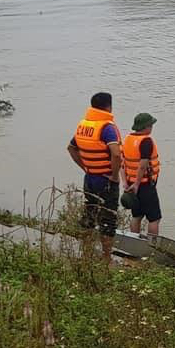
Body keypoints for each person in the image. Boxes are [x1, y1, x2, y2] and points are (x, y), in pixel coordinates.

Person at [67, 91, 121, 263]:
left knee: (89, 214)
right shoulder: (107, 127)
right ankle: (106, 257)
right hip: (105, 179)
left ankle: (86, 251)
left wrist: (86, 167)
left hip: (90, 178)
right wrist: (114, 176)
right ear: (109, 106)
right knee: (108, 218)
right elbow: (116, 154)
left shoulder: (84, 126)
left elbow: (71, 148)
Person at [122, 113, 162, 236]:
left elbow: (122, 163)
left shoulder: (128, 139)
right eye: (151, 125)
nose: (152, 128)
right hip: (144, 185)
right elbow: (143, 165)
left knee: (137, 215)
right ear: (146, 127)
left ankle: (134, 240)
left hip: (130, 184)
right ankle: (152, 246)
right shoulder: (146, 141)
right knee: (154, 218)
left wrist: (125, 183)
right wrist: (137, 184)